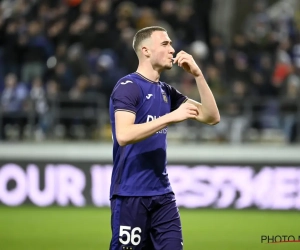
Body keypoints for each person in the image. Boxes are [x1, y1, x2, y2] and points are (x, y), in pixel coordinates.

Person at [109, 26, 220, 250]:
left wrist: (198, 75)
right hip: (131, 195)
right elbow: (123, 135)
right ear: (146, 50)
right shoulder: (127, 87)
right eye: (165, 44)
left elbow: (211, 116)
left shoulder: (166, 91)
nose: (172, 49)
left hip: (163, 195)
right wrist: (169, 117)